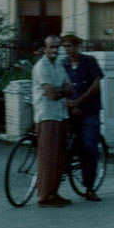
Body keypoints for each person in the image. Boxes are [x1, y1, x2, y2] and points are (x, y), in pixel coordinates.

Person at [61, 33, 104, 202]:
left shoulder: (89, 62)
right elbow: (60, 86)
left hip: (89, 110)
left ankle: (89, 188)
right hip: (69, 110)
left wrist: (79, 102)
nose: (67, 50)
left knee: (89, 147)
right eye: (64, 46)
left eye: (69, 46)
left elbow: (95, 86)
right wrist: (69, 103)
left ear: (77, 46)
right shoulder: (62, 64)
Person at [32, 35, 74, 207]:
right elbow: (51, 93)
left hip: (60, 114)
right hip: (47, 115)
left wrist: (60, 91)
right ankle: (44, 196)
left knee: (59, 157)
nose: (55, 50)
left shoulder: (59, 65)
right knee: (48, 157)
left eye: (57, 47)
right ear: (44, 48)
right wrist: (61, 91)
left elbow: (69, 89)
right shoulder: (41, 67)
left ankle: (54, 193)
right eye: (51, 47)